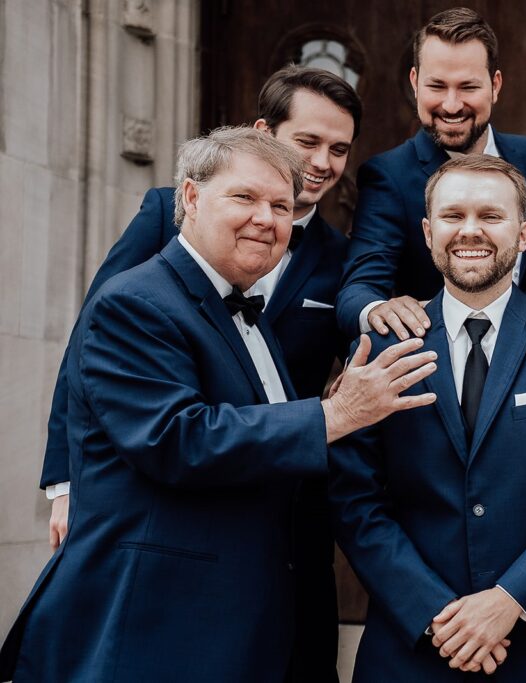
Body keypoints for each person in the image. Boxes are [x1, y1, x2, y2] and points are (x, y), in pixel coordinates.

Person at [0, 127, 437, 682]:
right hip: (155, 631)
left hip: (242, 627)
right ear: (189, 197)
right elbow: (179, 439)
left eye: (282, 206)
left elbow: (263, 446)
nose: (267, 218)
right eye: (245, 198)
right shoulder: (134, 303)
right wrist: (335, 414)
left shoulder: (243, 310)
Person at [39, 65, 359, 680]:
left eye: (338, 149)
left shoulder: (328, 262)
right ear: (191, 197)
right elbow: (93, 349)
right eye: (246, 197)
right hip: (175, 565)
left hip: (275, 547)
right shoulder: (154, 258)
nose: (321, 161)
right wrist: (68, 477)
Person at [330, 155, 526, 682]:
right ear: (428, 233)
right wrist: (434, 613)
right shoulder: (382, 347)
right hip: (418, 648)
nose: (469, 230)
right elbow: (354, 498)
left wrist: (511, 599)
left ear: (522, 235)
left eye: (490, 216)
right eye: (452, 216)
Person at [335, 7, 526, 342]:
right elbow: (358, 291)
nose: (451, 105)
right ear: (415, 83)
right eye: (437, 86)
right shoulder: (388, 175)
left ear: (495, 85)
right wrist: (376, 309)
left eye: (468, 87)